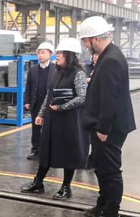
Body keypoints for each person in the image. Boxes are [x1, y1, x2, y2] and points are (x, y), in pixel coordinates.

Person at [79, 16, 136, 217]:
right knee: (101, 167)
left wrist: (103, 128)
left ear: (95, 38)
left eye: (86, 41)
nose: (86, 45)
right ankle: (102, 206)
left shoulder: (111, 59)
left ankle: (112, 215)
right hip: (105, 124)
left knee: (110, 171)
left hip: (110, 127)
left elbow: (110, 98)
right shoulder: (108, 55)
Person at [20, 38, 89, 199]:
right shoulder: (57, 71)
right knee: (46, 150)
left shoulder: (78, 73)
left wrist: (61, 107)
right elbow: (49, 95)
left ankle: (66, 187)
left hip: (69, 121)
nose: (57, 55)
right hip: (53, 119)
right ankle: (38, 182)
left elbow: (82, 97)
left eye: (61, 53)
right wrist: (41, 114)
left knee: (68, 153)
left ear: (69, 55)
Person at [24, 42, 56, 160]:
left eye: (43, 53)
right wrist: (27, 101)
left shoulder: (56, 69)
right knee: (36, 127)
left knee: (50, 127)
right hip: (36, 102)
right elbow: (28, 86)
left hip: (49, 103)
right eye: (39, 53)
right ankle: (35, 149)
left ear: (50, 53)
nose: (40, 55)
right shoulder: (33, 70)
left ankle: (50, 150)